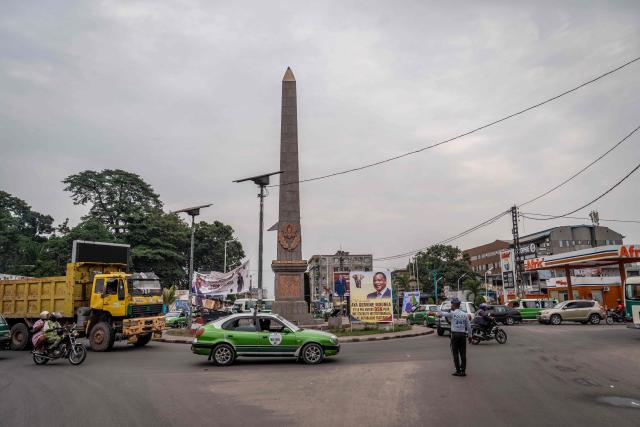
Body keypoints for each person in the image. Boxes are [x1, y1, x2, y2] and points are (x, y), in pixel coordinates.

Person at [437, 298, 472, 377]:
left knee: (455, 353)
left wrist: (437, 306)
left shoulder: (452, 314)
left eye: (452, 304)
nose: (451, 305)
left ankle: (458, 370)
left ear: (454, 305)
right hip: (463, 335)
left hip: (455, 335)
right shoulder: (464, 314)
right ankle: (463, 371)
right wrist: (470, 336)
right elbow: (469, 326)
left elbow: (440, 313)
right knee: (463, 353)